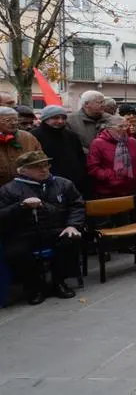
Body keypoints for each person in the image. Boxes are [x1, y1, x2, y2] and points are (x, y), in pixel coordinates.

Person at [0, 151, 84, 305]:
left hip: (55, 228)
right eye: (37, 167)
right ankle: (34, 287)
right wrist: (20, 206)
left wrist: (72, 225)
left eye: (46, 165)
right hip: (23, 233)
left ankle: (59, 282)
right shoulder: (9, 190)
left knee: (71, 240)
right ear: (23, 170)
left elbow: (77, 205)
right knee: (15, 253)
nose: (44, 169)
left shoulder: (63, 183)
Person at [30, 105, 89, 198]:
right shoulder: (34, 136)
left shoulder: (71, 135)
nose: (60, 121)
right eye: (55, 118)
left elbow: (80, 157)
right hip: (48, 183)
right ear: (45, 119)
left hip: (74, 183)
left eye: (63, 118)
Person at [86, 115, 136, 200]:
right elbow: (93, 168)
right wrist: (111, 176)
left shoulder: (132, 142)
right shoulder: (97, 143)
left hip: (129, 189)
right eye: (120, 126)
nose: (125, 129)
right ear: (109, 128)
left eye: (126, 126)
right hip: (107, 191)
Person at [0, 106, 42, 186]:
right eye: (8, 120)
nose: (14, 123)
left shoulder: (28, 137)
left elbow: (40, 161)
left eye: (16, 120)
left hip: (26, 186)